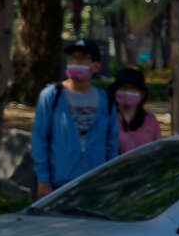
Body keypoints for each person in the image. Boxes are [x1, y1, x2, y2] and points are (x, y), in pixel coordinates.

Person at [31, 38, 119, 197]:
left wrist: (109, 177)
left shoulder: (107, 100)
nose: (76, 62)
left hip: (95, 184)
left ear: (97, 66)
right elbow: (40, 139)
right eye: (72, 58)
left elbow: (111, 144)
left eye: (83, 58)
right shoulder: (52, 95)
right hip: (58, 184)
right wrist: (42, 180)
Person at [111, 67, 162, 154]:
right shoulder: (108, 119)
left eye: (132, 89)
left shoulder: (150, 120)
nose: (127, 92)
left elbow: (158, 149)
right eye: (123, 88)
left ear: (142, 94)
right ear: (115, 92)